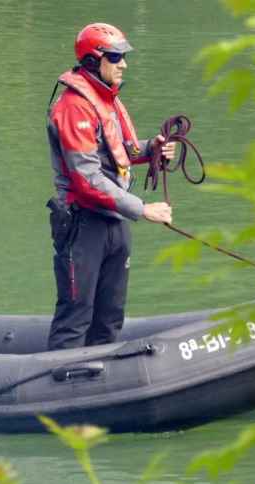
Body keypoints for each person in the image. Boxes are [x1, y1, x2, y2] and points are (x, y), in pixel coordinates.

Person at [45, 23, 176, 350]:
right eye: (115, 57)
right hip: (84, 226)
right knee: (76, 316)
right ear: (92, 61)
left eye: (123, 57)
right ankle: (58, 392)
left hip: (115, 224)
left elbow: (119, 152)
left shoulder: (108, 100)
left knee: (110, 318)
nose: (123, 64)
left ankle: (99, 386)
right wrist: (142, 208)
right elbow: (87, 178)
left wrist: (152, 149)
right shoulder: (73, 106)